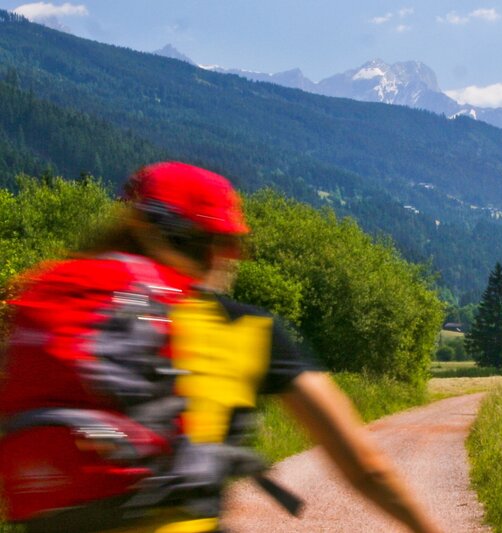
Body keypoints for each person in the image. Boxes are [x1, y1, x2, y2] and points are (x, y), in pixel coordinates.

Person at [0, 162, 442, 533]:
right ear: (207, 244)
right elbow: (365, 466)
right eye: (232, 241)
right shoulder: (240, 327)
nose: (239, 256)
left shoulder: (44, 299)